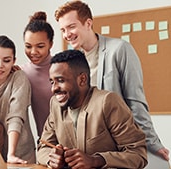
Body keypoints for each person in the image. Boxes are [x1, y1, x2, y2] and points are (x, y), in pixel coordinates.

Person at [54, 0, 169, 161]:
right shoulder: (70, 62)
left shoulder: (119, 50)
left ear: (88, 23)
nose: (67, 35)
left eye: (71, 27)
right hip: (88, 151)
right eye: (63, 30)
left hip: (119, 147)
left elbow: (135, 102)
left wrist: (153, 144)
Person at [37, 49, 147, 169]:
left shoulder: (107, 102)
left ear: (82, 80)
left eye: (60, 80)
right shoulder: (56, 104)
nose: (53, 89)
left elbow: (138, 155)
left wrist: (95, 161)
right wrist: (52, 158)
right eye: (52, 82)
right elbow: (43, 147)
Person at [0, 35, 36, 164]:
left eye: (6, 60)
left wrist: (10, 154)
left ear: (13, 61)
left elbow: (16, 115)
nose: (0, 66)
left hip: (20, 155)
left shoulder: (19, 78)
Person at [21, 11, 54, 137]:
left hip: (73, 138)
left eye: (40, 46)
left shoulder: (63, 66)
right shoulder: (21, 73)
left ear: (50, 44)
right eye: (28, 46)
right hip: (46, 141)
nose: (33, 52)